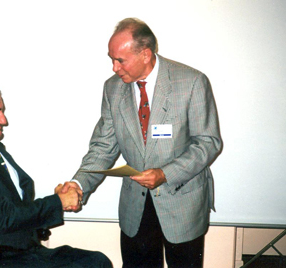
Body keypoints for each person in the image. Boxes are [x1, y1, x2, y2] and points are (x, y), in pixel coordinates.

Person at [63, 18, 222, 268]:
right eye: (111, 59)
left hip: (182, 200)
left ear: (146, 54)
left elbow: (208, 143)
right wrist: (78, 183)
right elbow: (103, 147)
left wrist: (165, 173)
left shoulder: (191, 82)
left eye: (120, 60)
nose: (114, 67)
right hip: (136, 206)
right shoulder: (113, 89)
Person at [0, 81, 113, 268]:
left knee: (96, 261)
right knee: (92, 264)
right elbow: (3, 218)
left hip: (18, 246)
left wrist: (60, 198)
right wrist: (58, 202)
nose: (4, 120)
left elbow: (17, 197)